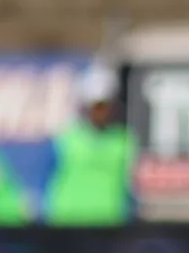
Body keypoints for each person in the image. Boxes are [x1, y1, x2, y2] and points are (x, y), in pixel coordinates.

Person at [43, 65, 137, 226]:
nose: (100, 112)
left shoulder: (125, 141)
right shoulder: (65, 139)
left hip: (109, 225)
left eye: (104, 106)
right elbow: (46, 181)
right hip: (67, 223)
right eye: (95, 106)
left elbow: (131, 189)